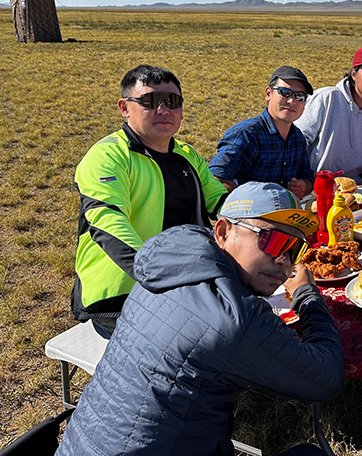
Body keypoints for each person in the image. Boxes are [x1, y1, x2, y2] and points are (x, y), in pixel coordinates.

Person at [57, 182, 345, 456]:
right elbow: (326, 377)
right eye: (272, 240)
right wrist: (308, 296)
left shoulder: (172, 262)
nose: (283, 260)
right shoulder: (235, 319)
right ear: (222, 232)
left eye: (294, 249)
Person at [72, 64, 227, 338]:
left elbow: (222, 201)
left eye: (173, 101)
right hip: (122, 295)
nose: (164, 110)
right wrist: (160, 274)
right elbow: (107, 222)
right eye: (150, 101)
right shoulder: (107, 156)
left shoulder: (187, 155)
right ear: (124, 107)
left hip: (186, 280)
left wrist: (266, 215)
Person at [209, 66, 316, 198]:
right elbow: (215, 179)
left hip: (285, 213)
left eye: (300, 96)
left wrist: (303, 186)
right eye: (284, 92)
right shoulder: (247, 134)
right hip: (246, 215)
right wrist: (250, 199)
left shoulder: (297, 137)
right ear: (268, 94)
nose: (291, 101)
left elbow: (308, 178)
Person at [295, 46, 362, 182]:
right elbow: (298, 140)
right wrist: (305, 181)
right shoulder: (327, 98)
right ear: (353, 74)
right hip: (317, 185)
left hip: (355, 187)